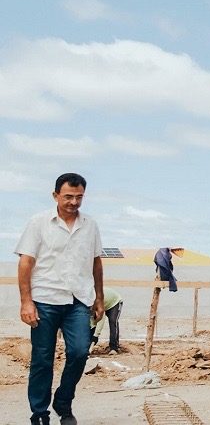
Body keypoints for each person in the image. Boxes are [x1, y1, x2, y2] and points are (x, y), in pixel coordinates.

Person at [15, 173, 104, 425]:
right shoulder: (39, 223)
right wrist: (26, 301)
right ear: (55, 195)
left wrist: (99, 297)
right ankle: (40, 413)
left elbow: (96, 263)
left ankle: (63, 401)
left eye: (79, 197)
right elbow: (26, 262)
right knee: (42, 359)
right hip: (45, 299)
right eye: (68, 196)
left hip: (78, 300)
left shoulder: (90, 225)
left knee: (78, 353)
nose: (73, 202)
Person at [90, 287, 123, 354]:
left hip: (114, 303)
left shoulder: (95, 300)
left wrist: (96, 335)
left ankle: (114, 347)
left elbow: (101, 318)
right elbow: (92, 321)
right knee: (90, 328)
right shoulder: (84, 304)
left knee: (113, 321)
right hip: (103, 304)